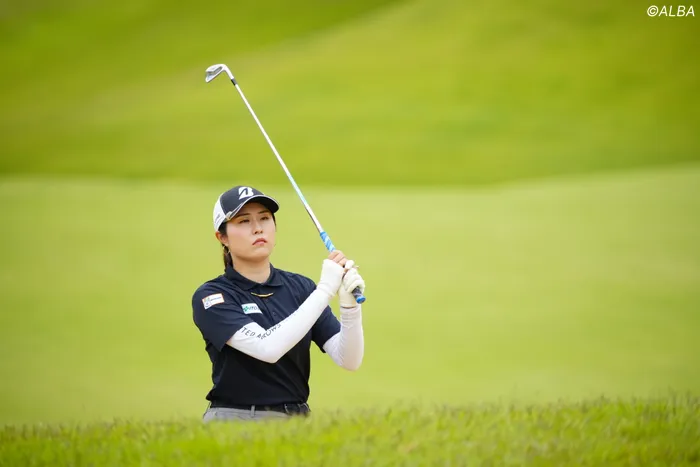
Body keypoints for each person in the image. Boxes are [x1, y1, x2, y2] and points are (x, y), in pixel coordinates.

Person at [192, 185, 366, 422]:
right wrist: (325, 289)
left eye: (264, 218)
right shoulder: (213, 296)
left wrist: (350, 307)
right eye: (244, 221)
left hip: (296, 420)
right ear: (222, 237)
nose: (257, 228)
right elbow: (267, 348)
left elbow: (349, 359)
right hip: (235, 420)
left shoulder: (300, 288)